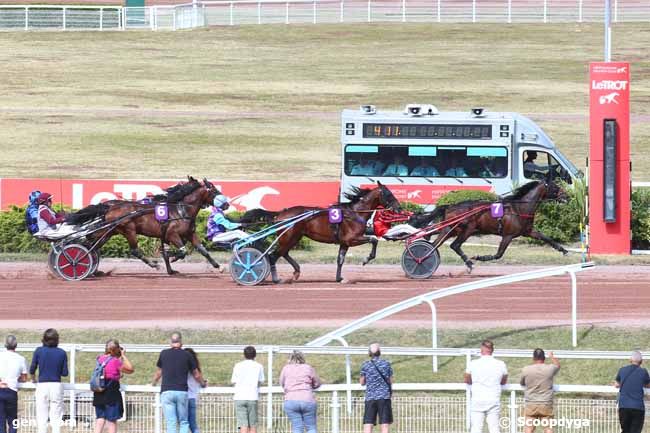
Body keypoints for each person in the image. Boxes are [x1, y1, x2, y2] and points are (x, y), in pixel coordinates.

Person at [152, 332, 207, 433]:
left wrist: (153, 383)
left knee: (171, 423)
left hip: (166, 391)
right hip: (182, 391)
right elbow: (196, 374)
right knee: (183, 422)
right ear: (181, 342)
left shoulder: (164, 353)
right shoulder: (187, 355)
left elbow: (159, 372)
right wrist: (203, 383)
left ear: (170, 342)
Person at [464, 340, 508, 433]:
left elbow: (467, 379)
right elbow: (504, 381)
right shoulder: (500, 364)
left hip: (477, 398)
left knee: (476, 428)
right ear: (492, 350)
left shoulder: (473, 363)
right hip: (493, 398)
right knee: (494, 428)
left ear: (482, 349)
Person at [30, 328, 68, 433]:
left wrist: (33, 379)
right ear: (57, 339)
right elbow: (65, 373)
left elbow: (32, 369)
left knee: (41, 418)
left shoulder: (38, 351)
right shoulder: (62, 353)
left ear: (44, 339)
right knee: (56, 419)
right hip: (56, 385)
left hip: (42, 385)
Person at [93, 339, 134, 433]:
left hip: (99, 392)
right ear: (117, 349)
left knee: (100, 419)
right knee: (111, 421)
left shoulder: (99, 358)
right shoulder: (116, 361)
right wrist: (123, 355)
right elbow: (131, 370)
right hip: (111, 394)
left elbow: (107, 371)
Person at [279, 351, 322, 433]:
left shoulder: (286, 368)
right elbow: (317, 383)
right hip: (307, 399)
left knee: (297, 428)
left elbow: (281, 382)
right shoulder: (308, 367)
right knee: (311, 428)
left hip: (291, 399)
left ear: (290, 359)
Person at [520, 349, 560, 433]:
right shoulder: (550, 368)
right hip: (546, 403)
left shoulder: (526, 369)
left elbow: (522, 383)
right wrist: (552, 356)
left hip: (531, 403)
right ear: (544, 358)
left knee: (529, 429)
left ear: (533, 358)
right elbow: (557, 365)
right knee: (548, 428)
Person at [360, 343, 393, 433]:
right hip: (384, 397)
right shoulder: (386, 364)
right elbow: (390, 380)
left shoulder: (365, 365)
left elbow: (362, 382)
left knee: (368, 424)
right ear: (380, 352)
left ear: (369, 353)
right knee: (384, 424)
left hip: (370, 397)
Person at [614, 350, 650, 433]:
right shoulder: (643, 372)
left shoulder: (622, 370)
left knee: (625, 430)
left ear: (630, 360)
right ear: (641, 361)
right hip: (638, 407)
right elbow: (648, 384)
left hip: (623, 406)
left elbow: (616, 384)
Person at [231, 346, 265, 433]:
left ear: (244, 355)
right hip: (252, 396)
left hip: (239, 396)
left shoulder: (237, 365)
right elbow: (260, 381)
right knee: (253, 424)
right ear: (255, 355)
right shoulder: (259, 366)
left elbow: (233, 381)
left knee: (243, 424)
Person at [0, 335, 28, 433]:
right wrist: (17, 378)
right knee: (13, 421)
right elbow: (24, 378)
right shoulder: (21, 359)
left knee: (1, 421)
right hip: (12, 391)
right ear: (16, 345)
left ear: (5, 345)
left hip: (1, 390)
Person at [185, 348, 204, 433]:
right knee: (193, 424)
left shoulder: (182, 368)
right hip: (192, 397)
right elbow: (198, 378)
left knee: (184, 423)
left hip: (184, 397)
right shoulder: (195, 369)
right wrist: (203, 383)